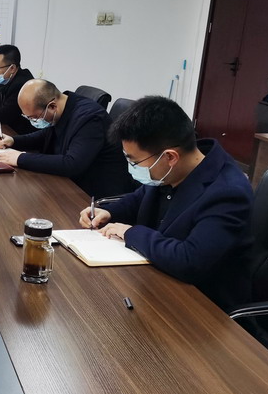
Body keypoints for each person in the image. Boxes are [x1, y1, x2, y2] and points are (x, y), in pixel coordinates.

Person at [79, 95, 253, 311]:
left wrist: (130, 232)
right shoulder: (173, 170)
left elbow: (190, 261)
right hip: (154, 280)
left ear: (170, 157)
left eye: (135, 161)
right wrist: (109, 212)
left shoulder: (227, 193)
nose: (131, 167)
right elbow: (140, 197)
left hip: (201, 307)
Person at [0, 79, 135, 197]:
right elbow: (47, 134)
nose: (33, 121)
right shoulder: (64, 107)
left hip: (92, 193)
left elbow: (72, 164)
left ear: (52, 106)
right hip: (72, 183)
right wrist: (14, 141)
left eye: (34, 117)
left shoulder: (90, 118)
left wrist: (20, 158)